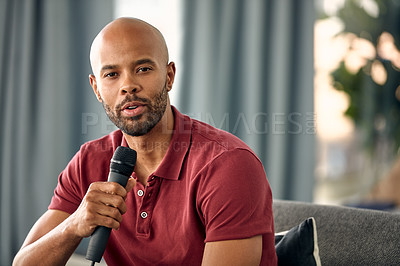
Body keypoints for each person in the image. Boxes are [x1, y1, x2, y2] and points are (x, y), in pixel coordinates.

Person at [13, 17, 277, 265]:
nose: (128, 85)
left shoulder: (229, 165)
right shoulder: (89, 161)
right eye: (112, 74)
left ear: (169, 76)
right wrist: (74, 224)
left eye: (143, 69)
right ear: (96, 88)